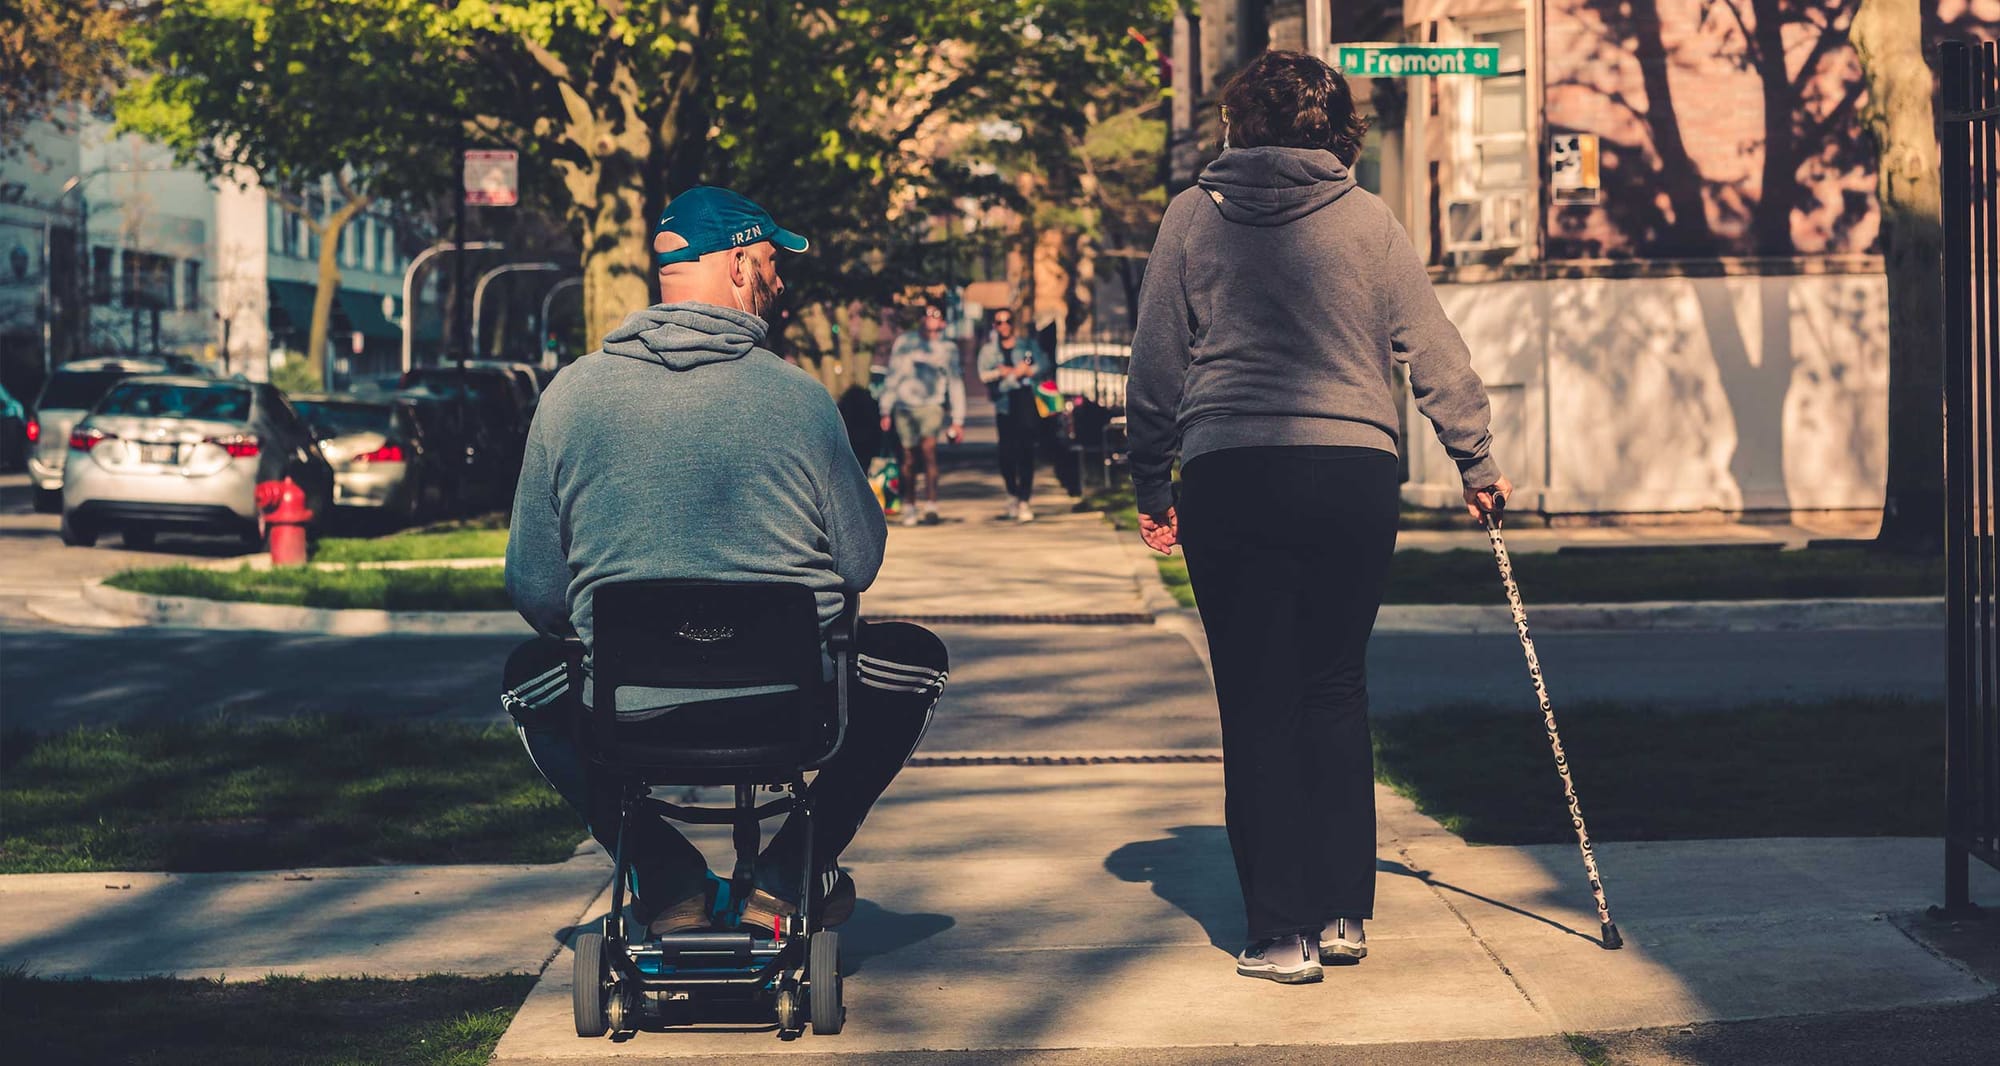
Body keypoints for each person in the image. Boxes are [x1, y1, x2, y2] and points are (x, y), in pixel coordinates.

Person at [1126, 51, 1511, 985]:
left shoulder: (1191, 218)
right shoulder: (1371, 219)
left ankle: (1279, 932)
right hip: (1351, 473)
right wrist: (1476, 460)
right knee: (1335, 685)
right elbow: (1435, 349)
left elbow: (1154, 369)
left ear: (1235, 124)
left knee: (1257, 695)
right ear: (1338, 130)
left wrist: (1151, 484)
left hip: (1233, 469)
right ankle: (1343, 911)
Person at [505, 185, 949, 939]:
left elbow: (536, 588)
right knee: (915, 660)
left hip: (627, 711)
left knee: (528, 679)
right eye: (773, 262)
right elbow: (861, 560)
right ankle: (787, 876)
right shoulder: (801, 400)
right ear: (740, 265)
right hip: (787, 707)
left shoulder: (569, 396)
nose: (780, 280)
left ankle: (668, 877)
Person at [878, 301, 966, 526]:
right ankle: (909, 505)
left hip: (932, 405)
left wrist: (958, 420)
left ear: (943, 322)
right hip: (905, 405)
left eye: (936, 314)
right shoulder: (906, 343)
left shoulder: (948, 349)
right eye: (926, 314)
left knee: (929, 451)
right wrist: (885, 408)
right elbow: (893, 375)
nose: (930, 318)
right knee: (908, 457)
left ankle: (931, 504)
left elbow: (955, 383)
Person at [975, 307, 1054, 522]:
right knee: (1006, 453)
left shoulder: (1027, 344)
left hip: (1026, 402)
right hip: (1004, 404)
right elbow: (983, 374)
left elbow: (1044, 363)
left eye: (1007, 321)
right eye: (999, 322)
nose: (1004, 326)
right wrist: (1006, 373)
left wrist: (1028, 371)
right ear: (994, 326)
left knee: (1026, 451)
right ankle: (1012, 493)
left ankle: (1024, 499)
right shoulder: (989, 351)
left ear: (1013, 323)